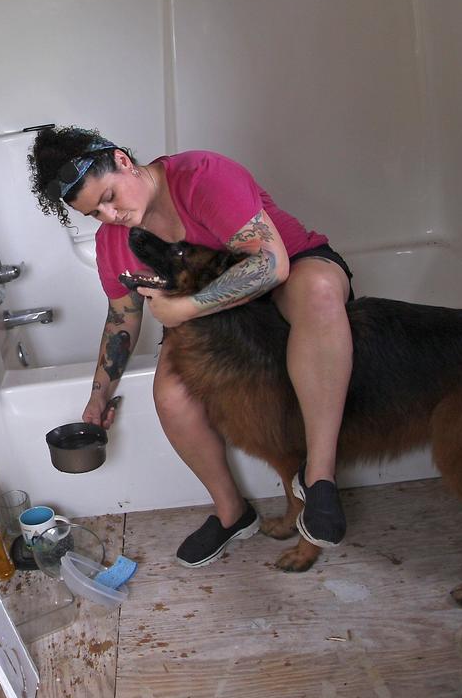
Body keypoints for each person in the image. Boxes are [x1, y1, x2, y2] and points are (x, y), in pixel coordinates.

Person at [28, 126, 354, 567]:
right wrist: (98, 396)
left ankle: (318, 478)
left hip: (291, 271)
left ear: (123, 161)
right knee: (170, 397)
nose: (110, 216)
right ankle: (231, 512)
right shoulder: (114, 241)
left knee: (318, 292)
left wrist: (184, 310)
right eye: (94, 214)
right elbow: (123, 318)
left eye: (108, 196)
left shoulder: (201, 175)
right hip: (211, 313)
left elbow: (272, 265)